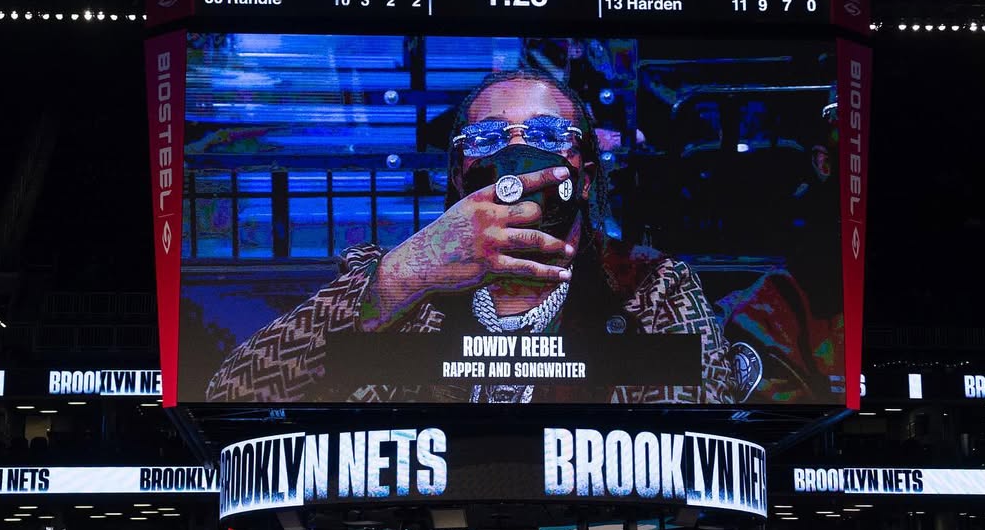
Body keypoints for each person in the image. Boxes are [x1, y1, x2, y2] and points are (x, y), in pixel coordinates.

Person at [205, 67, 738, 403]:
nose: (516, 153)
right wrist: (401, 276)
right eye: (488, 137)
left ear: (585, 173)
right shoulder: (397, 283)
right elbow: (233, 392)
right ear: (460, 174)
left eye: (548, 134)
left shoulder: (652, 285)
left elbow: (702, 431)